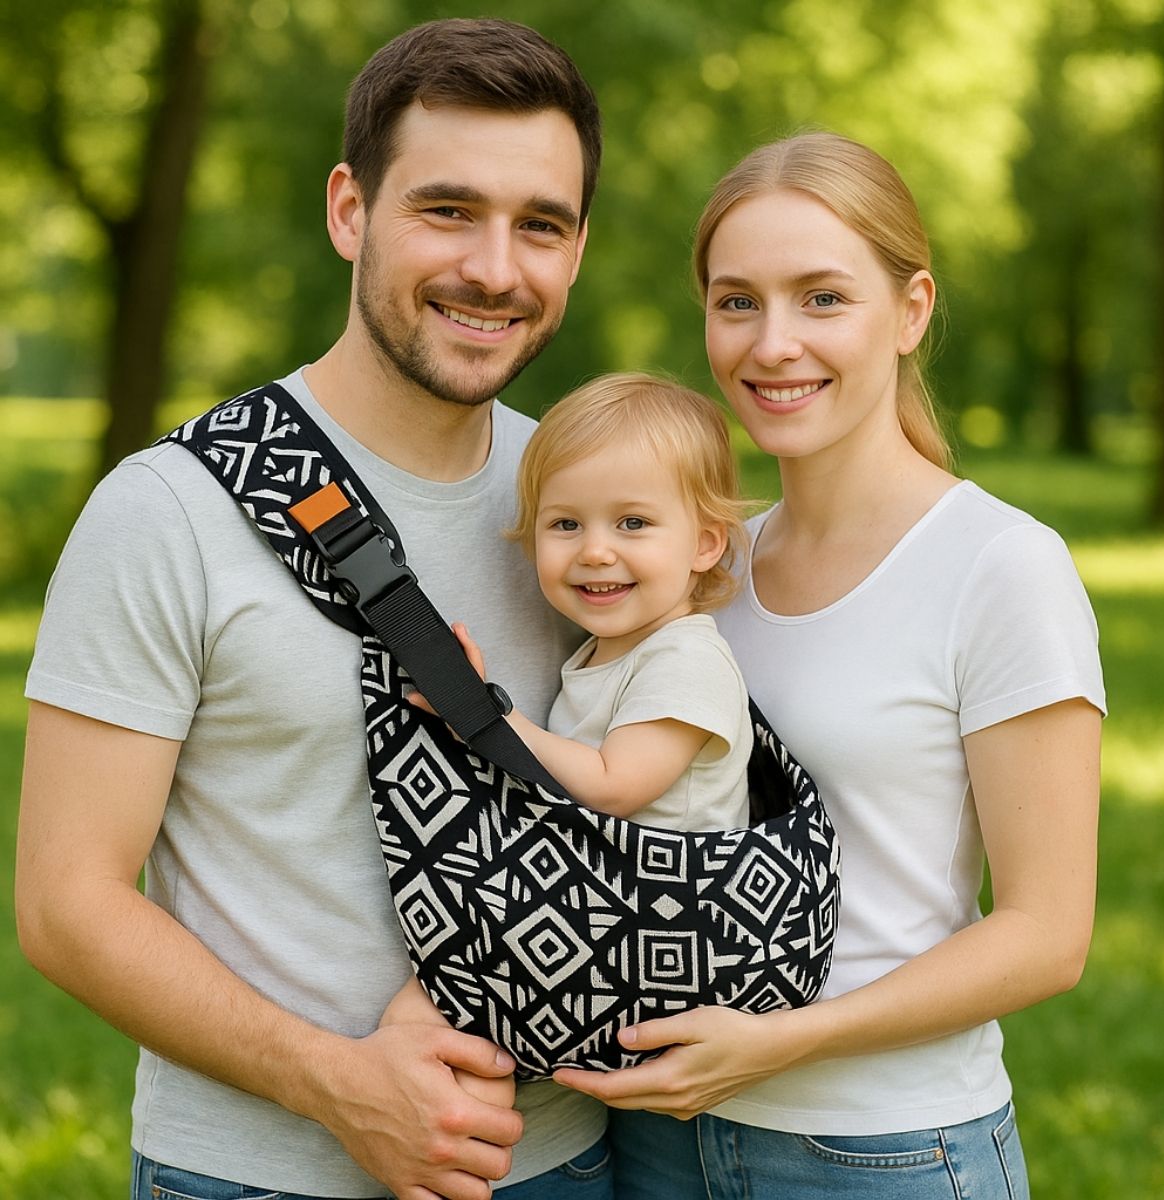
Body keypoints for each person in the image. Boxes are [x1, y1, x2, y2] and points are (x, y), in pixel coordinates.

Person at [15, 18, 614, 1200]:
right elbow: (65, 904)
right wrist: (336, 1082)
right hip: (254, 1176)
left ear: (578, 248)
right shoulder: (168, 513)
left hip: (564, 1166)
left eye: (539, 224)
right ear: (350, 211)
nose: (495, 269)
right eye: (447, 211)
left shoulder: (589, 507)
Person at [557, 131, 1105, 1199]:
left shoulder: (1000, 568)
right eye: (736, 302)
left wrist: (788, 1042)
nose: (772, 345)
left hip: (881, 1153)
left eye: (821, 299)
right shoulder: (697, 567)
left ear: (910, 311)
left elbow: (1048, 937)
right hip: (654, 1139)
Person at [420, 371, 753, 833]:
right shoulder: (603, 649)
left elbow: (614, 786)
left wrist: (487, 714)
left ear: (704, 544)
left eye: (633, 523)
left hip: (670, 900)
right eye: (566, 525)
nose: (595, 552)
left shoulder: (687, 660)